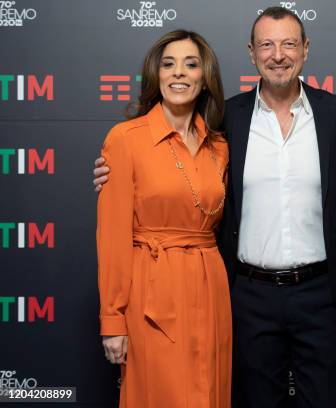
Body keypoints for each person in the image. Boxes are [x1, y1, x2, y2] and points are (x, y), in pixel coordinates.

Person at [94, 8, 336, 408]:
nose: (277, 54)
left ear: (306, 49)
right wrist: (112, 175)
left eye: (288, 44)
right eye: (266, 44)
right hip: (248, 294)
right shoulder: (227, 119)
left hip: (318, 292)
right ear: (251, 53)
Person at [96, 30, 231, 408]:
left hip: (210, 286)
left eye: (191, 64)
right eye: (168, 64)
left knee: (210, 392)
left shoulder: (218, 145)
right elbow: (111, 238)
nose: (179, 74)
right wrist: (113, 321)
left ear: (206, 78)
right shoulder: (125, 139)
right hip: (153, 290)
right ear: (155, 75)